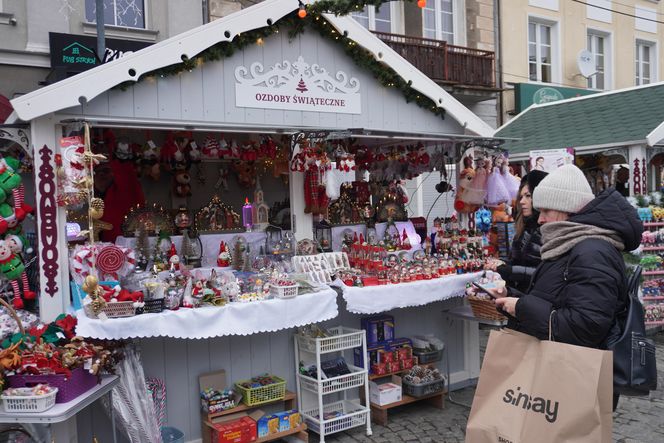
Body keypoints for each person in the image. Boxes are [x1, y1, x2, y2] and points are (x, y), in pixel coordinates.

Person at [487, 164, 642, 411]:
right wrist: (511, 298)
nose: (540, 219)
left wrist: (523, 307)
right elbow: (556, 299)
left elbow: (586, 325)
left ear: (569, 208)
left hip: (575, 383)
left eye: (546, 210)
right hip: (561, 376)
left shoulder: (592, 251)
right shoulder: (572, 243)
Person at [491, 170, 548, 291]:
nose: (522, 201)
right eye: (521, 196)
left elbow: (547, 274)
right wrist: (501, 264)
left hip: (538, 297)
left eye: (528, 196)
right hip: (521, 297)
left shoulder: (547, 230)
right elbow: (518, 261)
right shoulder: (523, 227)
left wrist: (511, 271)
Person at [95, 159, 145, 242]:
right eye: (97, 172)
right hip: (107, 243)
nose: (101, 174)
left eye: (106, 171)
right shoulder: (99, 194)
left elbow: (124, 172)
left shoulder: (123, 188)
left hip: (123, 242)